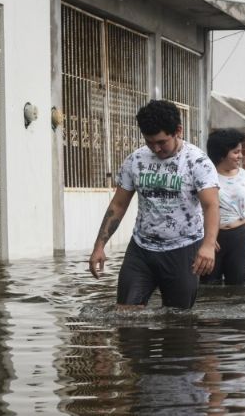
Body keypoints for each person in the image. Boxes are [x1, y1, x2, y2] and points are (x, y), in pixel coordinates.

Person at [88, 100, 219, 309]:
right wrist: (99, 246)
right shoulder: (135, 161)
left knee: (177, 324)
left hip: (183, 249)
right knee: (126, 316)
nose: (156, 149)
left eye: (161, 142)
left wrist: (209, 245)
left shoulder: (197, 162)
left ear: (178, 131)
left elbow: (211, 206)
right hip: (141, 249)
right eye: (150, 142)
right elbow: (119, 204)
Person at [202, 128, 245, 285]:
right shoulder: (205, 176)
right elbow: (194, 210)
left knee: (239, 289)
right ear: (222, 154)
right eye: (236, 152)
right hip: (213, 239)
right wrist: (206, 238)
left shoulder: (243, 176)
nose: (240, 156)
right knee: (208, 288)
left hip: (238, 237)